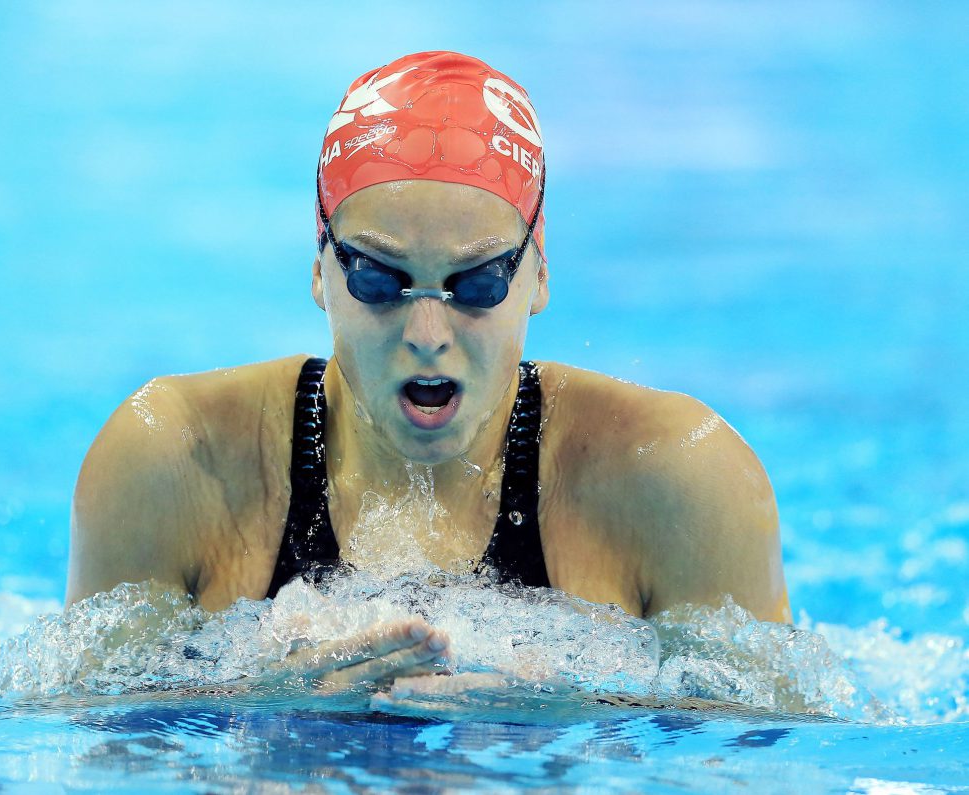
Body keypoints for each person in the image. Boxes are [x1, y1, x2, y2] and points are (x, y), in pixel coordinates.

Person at [66, 51, 790, 691]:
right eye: (379, 280)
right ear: (321, 267)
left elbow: (767, 752)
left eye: (476, 284)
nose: (427, 333)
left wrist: (550, 713)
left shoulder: (679, 480)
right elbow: (84, 742)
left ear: (537, 272)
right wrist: (257, 704)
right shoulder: (171, 460)